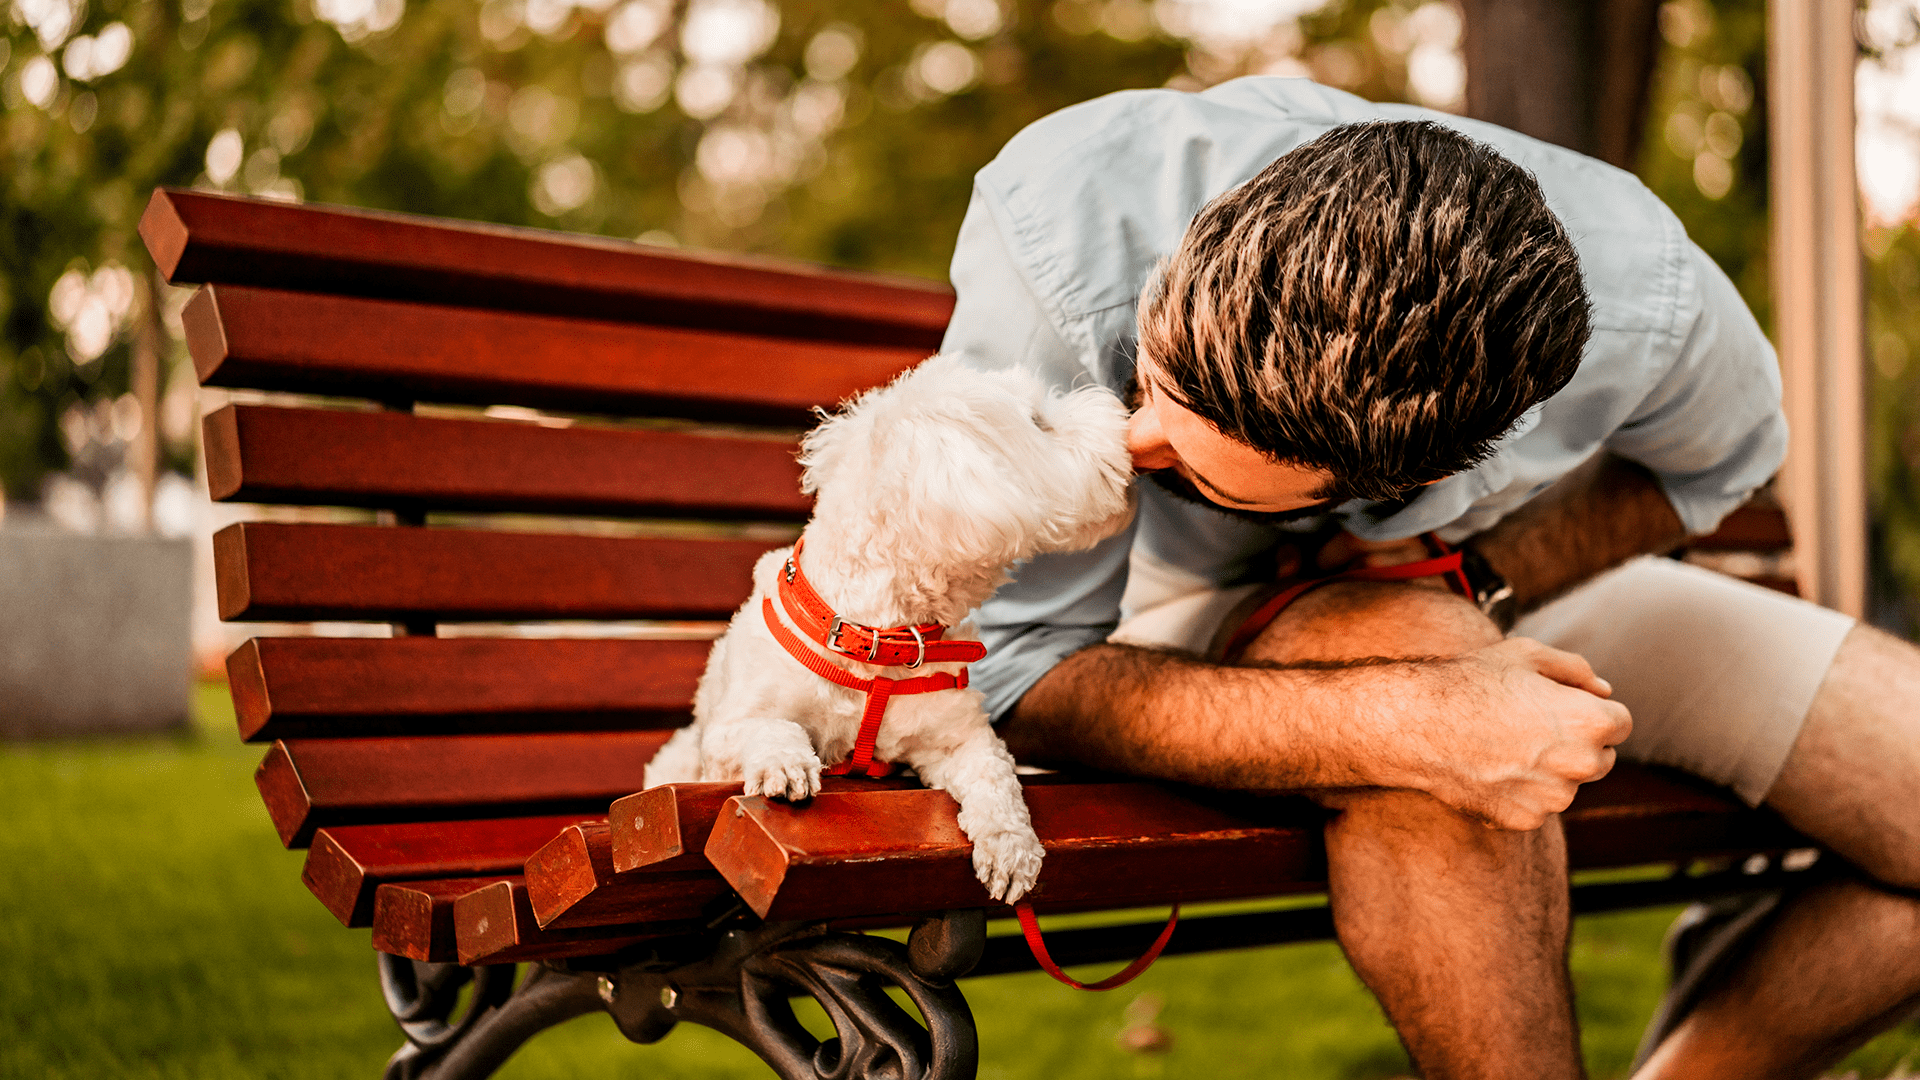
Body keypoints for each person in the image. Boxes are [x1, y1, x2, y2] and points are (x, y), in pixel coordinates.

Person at [940, 77, 1920, 1080]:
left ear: (1424, 479)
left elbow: (1718, 464)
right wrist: (1414, 721)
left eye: (1192, 477)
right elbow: (1010, 668)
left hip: (1480, 574)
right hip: (1155, 618)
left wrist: (1486, 569)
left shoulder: (1654, 292)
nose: (1129, 443)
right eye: (1148, 382)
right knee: (1425, 696)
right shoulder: (1064, 221)